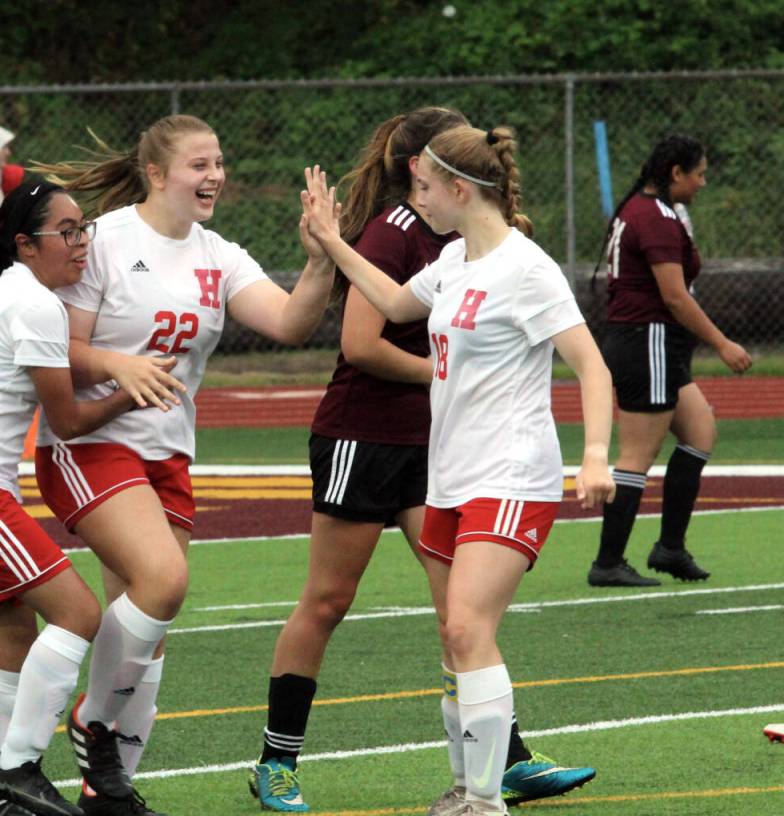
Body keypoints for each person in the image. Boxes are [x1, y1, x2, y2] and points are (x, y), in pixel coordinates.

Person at [249, 108, 599, 814]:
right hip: (405, 454)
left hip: (476, 461)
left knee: (463, 620)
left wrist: (592, 455)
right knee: (376, 609)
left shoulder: (505, 260)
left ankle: (490, 780)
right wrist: (329, 243)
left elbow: (583, 361)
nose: (422, 197)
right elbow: (375, 324)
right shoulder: (427, 247)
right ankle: (289, 761)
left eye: (435, 187)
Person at [31, 114, 336, 816]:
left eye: (221, 162)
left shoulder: (218, 254)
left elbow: (290, 322)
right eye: (201, 164)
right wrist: (117, 365)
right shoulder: (104, 241)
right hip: (91, 444)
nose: (217, 176)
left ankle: (108, 794)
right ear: (159, 174)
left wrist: (320, 257)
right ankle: (91, 723)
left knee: (146, 631)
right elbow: (57, 347)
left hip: (166, 455)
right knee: (164, 582)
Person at [0, 180, 151, 816]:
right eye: (67, 231)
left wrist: (115, 372)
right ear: (25, 243)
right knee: (79, 613)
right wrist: (133, 386)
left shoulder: (18, 294)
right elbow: (67, 422)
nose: (81, 243)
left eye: (83, 229)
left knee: (13, 645)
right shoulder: (34, 303)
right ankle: (15, 768)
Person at [586, 134, 752, 588]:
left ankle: (670, 548)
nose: (701, 183)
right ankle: (608, 561)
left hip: (650, 342)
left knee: (700, 433)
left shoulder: (646, 209)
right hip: (648, 340)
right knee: (637, 453)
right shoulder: (654, 217)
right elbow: (675, 297)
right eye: (697, 174)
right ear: (675, 173)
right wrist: (722, 343)